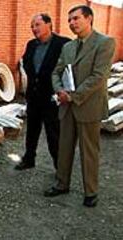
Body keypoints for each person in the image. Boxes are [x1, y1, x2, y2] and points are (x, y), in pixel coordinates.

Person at [44, 5, 115, 207]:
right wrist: (59, 91)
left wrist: (73, 95)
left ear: (89, 18)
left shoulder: (105, 43)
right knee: (64, 147)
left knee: (89, 151)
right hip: (66, 106)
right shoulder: (68, 47)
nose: (72, 23)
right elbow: (56, 72)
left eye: (76, 18)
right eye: (70, 20)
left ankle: (91, 191)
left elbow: (99, 76)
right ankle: (61, 183)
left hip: (88, 106)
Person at [15, 14, 70, 171]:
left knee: (54, 134)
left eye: (37, 24)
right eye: (32, 26)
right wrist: (35, 77)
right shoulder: (31, 44)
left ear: (49, 24)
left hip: (52, 97)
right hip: (33, 96)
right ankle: (29, 159)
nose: (34, 28)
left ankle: (60, 169)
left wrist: (63, 89)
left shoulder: (63, 44)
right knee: (31, 130)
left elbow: (69, 69)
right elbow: (25, 61)